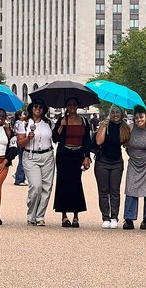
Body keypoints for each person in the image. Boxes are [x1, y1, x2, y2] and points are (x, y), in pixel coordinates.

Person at [52, 97, 91, 228]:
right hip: (64, 154)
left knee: (76, 184)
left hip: (78, 154)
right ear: (66, 107)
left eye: (74, 104)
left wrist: (87, 156)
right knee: (63, 184)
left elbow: (87, 141)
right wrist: (61, 127)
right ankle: (64, 216)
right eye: (69, 104)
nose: (72, 106)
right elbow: (55, 138)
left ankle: (76, 216)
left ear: (77, 106)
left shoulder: (84, 121)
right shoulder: (62, 120)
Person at [17, 99, 55, 226]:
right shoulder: (25, 124)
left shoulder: (49, 123)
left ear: (44, 109)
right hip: (31, 156)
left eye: (40, 107)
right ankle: (31, 214)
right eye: (35, 106)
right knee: (36, 186)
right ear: (31, 108)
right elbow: (19, 143)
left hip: (47, 156)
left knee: (46, 187)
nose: (38, 109)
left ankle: (40, 216)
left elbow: (57, 137)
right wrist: (28, 137)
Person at [94, 105, 130, 229]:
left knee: (115, 190)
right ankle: (105, 217)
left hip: (116, 162)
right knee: (103, 191)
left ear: (122, 113)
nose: (115, 114)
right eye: (113, 112)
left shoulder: (125, 127)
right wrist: (103, 125)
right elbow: (98, 141)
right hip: (102, 161)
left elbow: (127, 144)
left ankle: (114, 216)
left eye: (118, 112)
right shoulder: (105, 125)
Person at [123, 105, 146, 230]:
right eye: (136, 117)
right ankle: (129, 219)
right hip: (134, 163)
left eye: (141, 117)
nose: (139, 120)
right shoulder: (130, 128)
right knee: (131, 190)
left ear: (145, 117)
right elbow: (125, 142)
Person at [13, 110, 28, 186]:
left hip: (17, 142)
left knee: (21, 160)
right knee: (22, 161)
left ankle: (17, 175)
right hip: (21, 142)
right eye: (23, 114)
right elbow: (22, 134)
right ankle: (19, 179)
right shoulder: (21, 123)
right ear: (20, 116)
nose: (24, 115)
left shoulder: (16, 123)